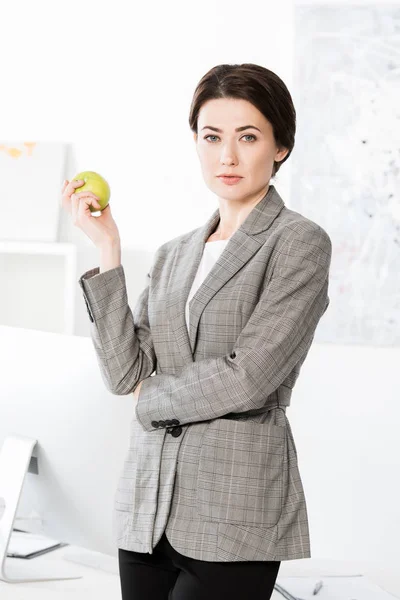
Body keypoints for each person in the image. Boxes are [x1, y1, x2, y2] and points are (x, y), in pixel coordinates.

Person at [61, 63, 332, 600]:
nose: (227, 156)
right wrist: (107, 249)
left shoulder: (299, 243)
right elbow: (124, 373)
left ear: (280, 147)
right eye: (212, 138)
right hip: (148, 503)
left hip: (234, 508)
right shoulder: (174, 254)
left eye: (248, 137)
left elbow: (250, 376)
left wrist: (150, 397)